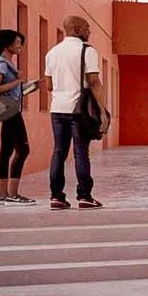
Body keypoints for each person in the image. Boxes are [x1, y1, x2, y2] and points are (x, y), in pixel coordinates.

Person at [44, 12, 105, 209]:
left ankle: (56, 197)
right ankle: (85, 196)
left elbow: (49, 85)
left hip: (57, 109)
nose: (89, 32)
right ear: (77, 29)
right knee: (81, 153)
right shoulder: (87, 51)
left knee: (59, 153)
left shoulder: (52, 53)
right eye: (87, 28)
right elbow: (94, 82)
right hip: (79, 111)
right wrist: (103, 111)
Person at [0, 28, 42, 202]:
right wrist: (18, 80)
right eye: (17, 42)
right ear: (7, 45)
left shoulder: (7, 64)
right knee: (23, 150)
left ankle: (2, 194)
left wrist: (29, 86)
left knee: (6, 151)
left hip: (10, 110)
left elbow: (11, 92)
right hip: (11, 113)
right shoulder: (1, 64)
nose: (20, 46)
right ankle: (13, 194)